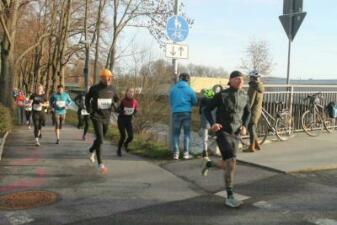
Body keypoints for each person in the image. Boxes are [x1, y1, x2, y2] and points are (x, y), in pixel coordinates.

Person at [202, 71, 251, 207]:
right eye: (237, 79)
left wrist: (244, 126)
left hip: (236, 133)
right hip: (222, 132)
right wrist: (213, 123)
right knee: (230, 162)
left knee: (228, 164)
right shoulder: (222, 95)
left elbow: (248, 112)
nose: (240, 81)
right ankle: (230, 197)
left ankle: (209, 164)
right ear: (230, 80)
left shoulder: (244, 95)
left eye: (242, 79)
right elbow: (207, 109)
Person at [85, 69, 119, 173]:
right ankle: (100, 164)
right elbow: (87, 98)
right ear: (102, 78)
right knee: (100, 139)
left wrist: (114, 104)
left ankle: (91, 149)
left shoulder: (112, 88)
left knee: (100, 139)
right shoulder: (95, 88)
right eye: (106, 77)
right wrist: (88, 108)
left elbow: (117, 99)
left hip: (106, 117)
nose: (109, 79)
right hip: (96, 116)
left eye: (110, 77)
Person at [169, 73, 198, 160]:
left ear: (180, 79)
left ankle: (176, 154)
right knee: (186, 134)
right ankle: (186, 153)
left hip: (176, 113)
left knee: (175, 134)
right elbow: (195, 101)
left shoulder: (173, 89)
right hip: (186, 113)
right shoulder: (189, 89)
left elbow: (171, 102)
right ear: (188, 80)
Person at [246, 70, 265, 152]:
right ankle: (256, 145)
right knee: (252, 128)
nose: (249, 79)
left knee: (251, 128)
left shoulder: (253, 87)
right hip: (257, 110)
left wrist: (246, 110)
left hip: (253, 111)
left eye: (250, 77)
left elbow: (250, 101)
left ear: (253, 78)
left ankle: (251, 147)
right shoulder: (259, 86)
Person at [117, 87, 138, 157]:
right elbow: (118, 109)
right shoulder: (123, 101)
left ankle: (125, 144)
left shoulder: (135, 102)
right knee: (123, 136)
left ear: (133, 93)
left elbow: (135, 110)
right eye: (129, 91)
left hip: (129, 121)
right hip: (121, 120)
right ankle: (119, 150)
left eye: (132, 92)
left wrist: (135, 113)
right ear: (126, 92)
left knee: (131, 136)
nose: (130, 93)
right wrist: (122, 111)